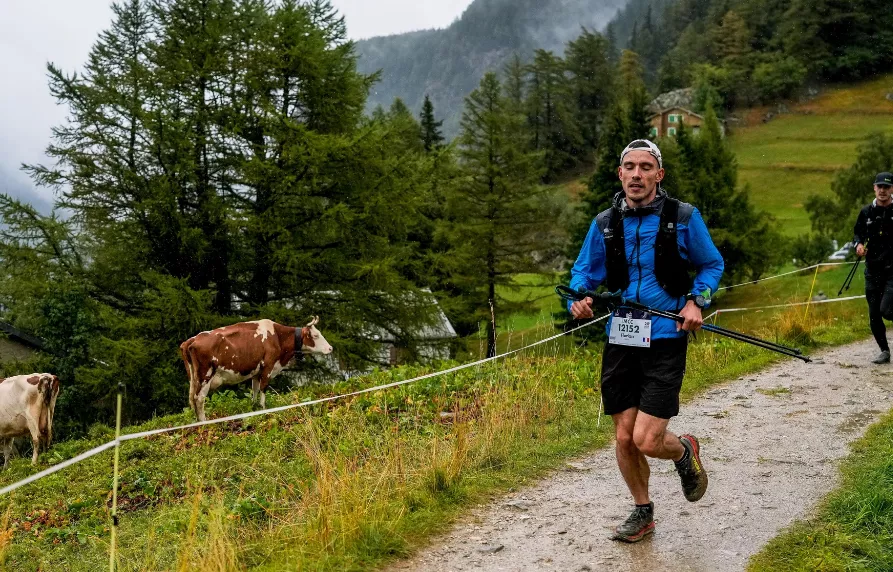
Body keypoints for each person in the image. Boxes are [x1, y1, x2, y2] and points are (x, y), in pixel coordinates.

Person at [567, 139, 724, 543]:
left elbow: (711, 265)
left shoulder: (684, 218)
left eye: (645, 167)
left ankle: (684, 451)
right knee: (623, 437)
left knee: (647, 439)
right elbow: (583, 273)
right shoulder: (604, 223)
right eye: (630, 167)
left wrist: (696, 301)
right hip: (620, 337)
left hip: (667, 336)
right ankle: (643, 510)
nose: (637, 175)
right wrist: (580, 298)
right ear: (619, 174)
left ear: (659, 174)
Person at [854, 172, 893, 364]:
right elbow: (857, 234)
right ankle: (884, 351)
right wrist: (858, 245)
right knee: (874, 314)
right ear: (874, 188)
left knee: (886, 310)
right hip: (872, 270)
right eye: (880, 187)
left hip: (892, 270)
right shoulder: (866, 212)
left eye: (886, 187)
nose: (883, 191)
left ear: (892, 189)